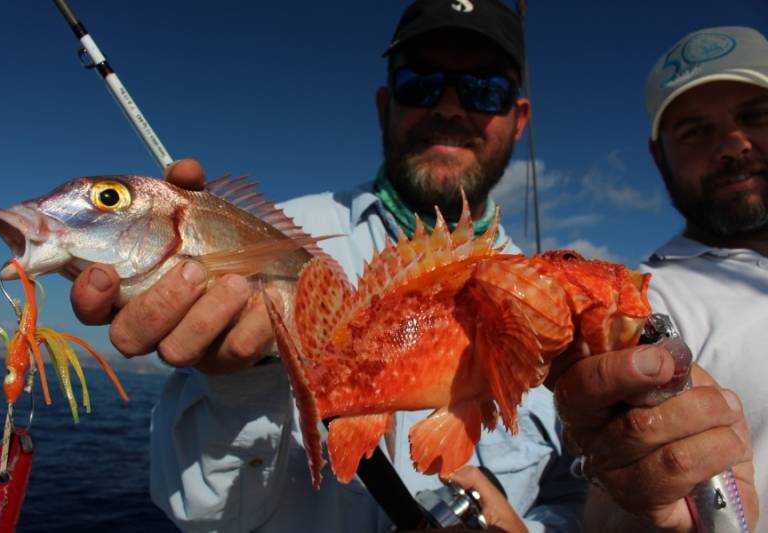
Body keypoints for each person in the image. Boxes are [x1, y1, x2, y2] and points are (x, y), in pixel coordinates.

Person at [70, 1, 586, 532]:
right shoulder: (279, 243)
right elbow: (204, 518)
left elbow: (575, 497)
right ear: (385, 104)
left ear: (518, 118)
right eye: (420, 82)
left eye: (483, 89)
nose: (450, 108)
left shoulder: (555, 301)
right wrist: (240, 384)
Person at [555, 26, 764, 532]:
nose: (733, 145)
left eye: (754, 116)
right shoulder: (633, 304)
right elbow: (602, 490)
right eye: (696, 132)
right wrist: (641, 502)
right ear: (658, 157)